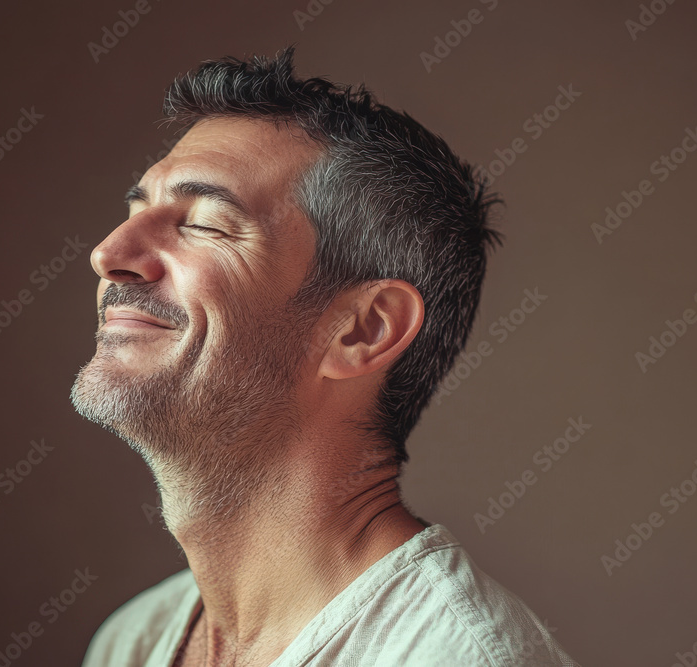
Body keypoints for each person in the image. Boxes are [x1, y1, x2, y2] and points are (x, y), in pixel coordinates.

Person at [73, 47, 578, 666]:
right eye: (135, 210)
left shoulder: (455, 657)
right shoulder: (133, 642)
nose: (108, 253)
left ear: (362, 329)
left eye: (204, 222)